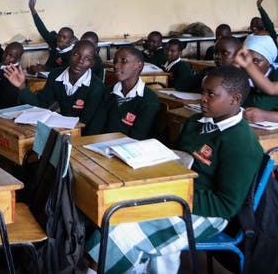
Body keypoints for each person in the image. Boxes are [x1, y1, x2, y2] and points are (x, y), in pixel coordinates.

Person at [86, 66, 263, 274]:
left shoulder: (240, 142)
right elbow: (176, 159)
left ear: (235, 99)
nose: (202, 99)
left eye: (210, 94)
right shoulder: (196, 123)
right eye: (202, 92)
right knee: (113, 212)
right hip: (174, 196)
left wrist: (170, 196)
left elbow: (225, 205)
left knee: (120, 230)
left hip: (206, 213)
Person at [3, 40, 105, 135]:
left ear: (92, 63)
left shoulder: (96, 86)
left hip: (80, 135)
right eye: (76, 54)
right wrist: (22, 86)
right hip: (59, 130)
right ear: (70, 55)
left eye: (87, 58)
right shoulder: (56, 75)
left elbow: (86, 123)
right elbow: (40, 104)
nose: (80, 61)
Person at [88, 46, 159, 139]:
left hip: (130, 149)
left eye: (124, 61)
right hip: (102, 146)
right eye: (115, 62)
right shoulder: (108, 92)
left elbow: (138, 137)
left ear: (139, 65)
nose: (116, 66)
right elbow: (95, 127)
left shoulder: (149, 99)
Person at [27, 0, 75, 72]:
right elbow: (41, 28)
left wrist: (44, 68)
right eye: (59, 36)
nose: (60, 39)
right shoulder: (55, 42)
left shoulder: (73, 54)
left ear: (71, 40)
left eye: (64, 37)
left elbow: (64, 71)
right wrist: (32, 8)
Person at [241, 34, 278, 111]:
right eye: (246, 59)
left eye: (256, 61)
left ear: (269, 62)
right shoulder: (241, 73)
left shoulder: (275, 76)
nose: (251, 65)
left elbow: (259, 104)